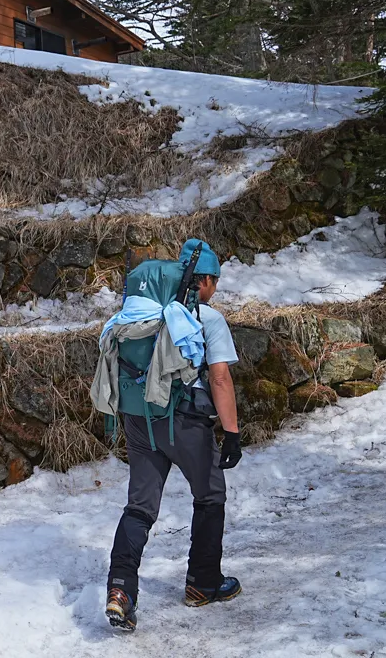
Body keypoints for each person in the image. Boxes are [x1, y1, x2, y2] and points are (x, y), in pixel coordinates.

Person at [105, 250, 244, 632]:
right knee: (211, 494)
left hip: (139, 417)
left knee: (140, 507)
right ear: (205, 281)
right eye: (215, 282)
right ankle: (203, 583)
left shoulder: (138, 315)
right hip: (183, 422)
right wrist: (231, 434)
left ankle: (120, 591)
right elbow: (219, 379)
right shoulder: (206, 318)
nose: (215, 289)